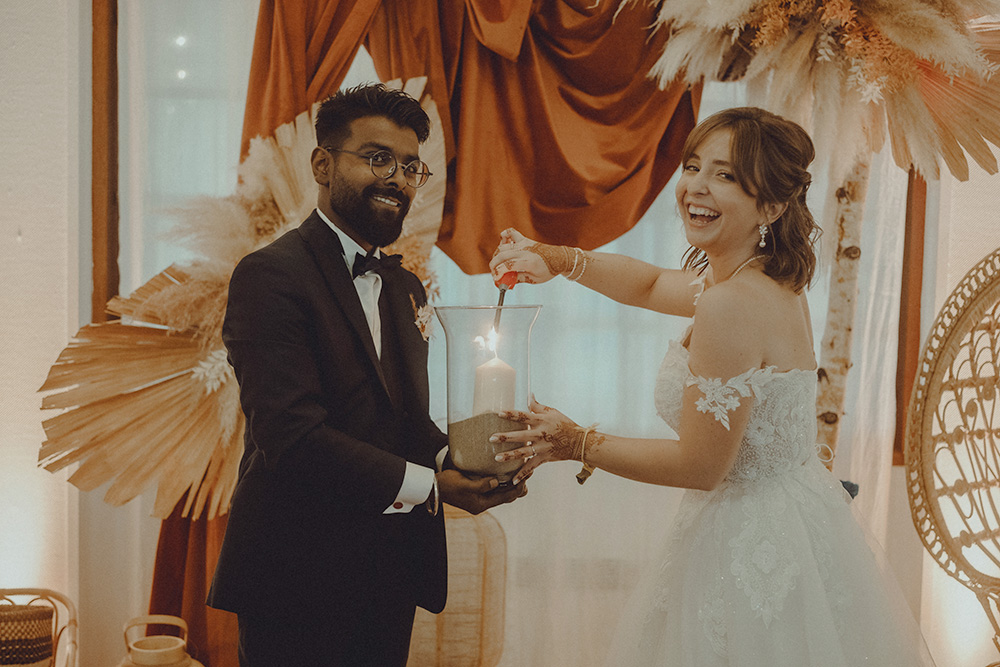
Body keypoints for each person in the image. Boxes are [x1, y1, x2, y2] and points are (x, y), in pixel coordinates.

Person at [488, 107, 934, 665]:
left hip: (752, 546)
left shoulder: (731, 303)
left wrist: (575, 441)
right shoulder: (762, 277)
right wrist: (557, 259)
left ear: (770, 206)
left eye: (725, 175)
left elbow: (701, 466)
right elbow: (650, 284)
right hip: (788, 521)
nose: (696, 186)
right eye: (693, 166)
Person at [207, 83, 525, 667]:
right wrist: (435, 489)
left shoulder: (406, 288)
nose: (398, 179)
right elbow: (291, 437)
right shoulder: (269, 276)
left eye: (410, 166)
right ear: (322, 165)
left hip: (388, 572)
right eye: (378, 158)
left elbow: (405, 423)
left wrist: (472, 456)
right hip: (295, 575)